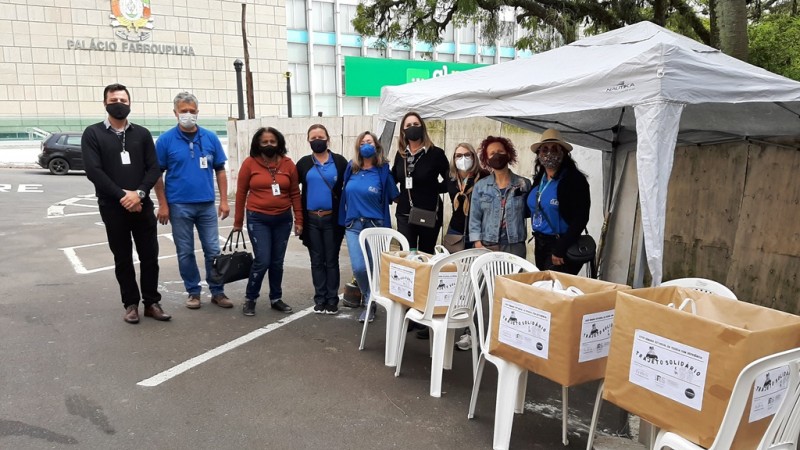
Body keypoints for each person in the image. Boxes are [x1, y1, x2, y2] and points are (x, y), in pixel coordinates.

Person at [81, 83, 171, 324]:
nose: (118, 104)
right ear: (105, 103)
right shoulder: (93, 133)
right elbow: (94, 171)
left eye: (123, 100)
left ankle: (152, 302)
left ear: (130, 103)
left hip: (142, 206)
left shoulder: (141, 134)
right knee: (122, 258)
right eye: (114, 100)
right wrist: (124, 197)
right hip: (113, 208)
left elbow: (153, 168)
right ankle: (130, 304)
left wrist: (139, 194)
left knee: (150, 256)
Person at [154, 92, 232, 310]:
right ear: (175, 113)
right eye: (183, 111)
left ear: (198, 112)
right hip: (179, 206)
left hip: (207, 204)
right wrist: (163, 204)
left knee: (213, 250)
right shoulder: (165, 140)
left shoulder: (210, 138)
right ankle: (193, 292)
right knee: (185, 251)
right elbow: (156, 175)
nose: (188, 115)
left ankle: (217, 291)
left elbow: (220, 170)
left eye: (192, 111)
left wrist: (224, 200)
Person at [233, 127, 301, 316]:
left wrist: (299, 220)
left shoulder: (288, 164)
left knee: (277, 262)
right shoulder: (249, 164)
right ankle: (250, 298)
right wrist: (238, 222)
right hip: (258, 218)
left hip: (283, 219)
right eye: (265, 142)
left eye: (273, 141)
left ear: (279, 143)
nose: (269, 145)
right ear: (258, 144)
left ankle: (276, 298)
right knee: (263, 260)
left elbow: (295, 193)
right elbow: (241, 193)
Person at [338, 131, 399, 323]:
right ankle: (368, 298)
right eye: (363, 142)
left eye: (370, 142)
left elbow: (395, 196)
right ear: (358, 147)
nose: (366, 145)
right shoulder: (351, 168)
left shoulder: (383, 171)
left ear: (376, 146)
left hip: (375, 226)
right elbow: (344, 193)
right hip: (354, 225)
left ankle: (371, 302)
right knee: (359, 268)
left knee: (374, 268)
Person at [296, 124, 348, 315]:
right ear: (308, 140)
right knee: (316, 260)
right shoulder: (303, 164)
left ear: (328, 138)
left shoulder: (340, 162)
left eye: (320, 136)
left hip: (332, 220)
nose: (317, 140)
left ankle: (332, 300)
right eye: (313, 137)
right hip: (311, 220)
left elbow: (349, 188)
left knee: (331, 260)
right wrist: (298, 219)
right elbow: (293, 191)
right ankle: (320, 299)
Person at [528, 128, 590, 274]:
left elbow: (581, 218)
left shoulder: (575, 180)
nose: (549, 153)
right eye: (544, 149)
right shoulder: (539, 179)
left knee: (555, 290)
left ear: (564, 153)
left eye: (555, 149)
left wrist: (561, 248)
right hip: (540, 242)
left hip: (560, 244)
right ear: (539, 155)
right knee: (542, 287)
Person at [445, 143, 488, 348]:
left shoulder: (485, 177)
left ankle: (470, 332)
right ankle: (451, 319)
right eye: (458, 155)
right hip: (455, 233)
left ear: (474, 156)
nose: (462, 158)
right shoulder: (452, 179)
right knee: (455, 280)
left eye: (467, 155)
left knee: (475, 284)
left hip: (477, 235)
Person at [391, 112, 449, 254]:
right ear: (403, 130)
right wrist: (395, 196)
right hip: (405, 213)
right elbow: (393, 178)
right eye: (408, 125)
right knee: (406, 254)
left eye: (416, 124)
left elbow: (449, 180)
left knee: (425, 255)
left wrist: (433, 188)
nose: (412, 127)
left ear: (422, 127)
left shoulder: (436, 154)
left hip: (429, 212)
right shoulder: (401, 154)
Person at [469, 136, 532, 258]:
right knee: (488, 277)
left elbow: (530, 212)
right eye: (492, 153)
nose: (497, 156)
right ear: (487, 159)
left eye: (500, 152)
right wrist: (477, 242)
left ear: (508, 154)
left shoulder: (524, 184)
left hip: (515, 246)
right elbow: (475, 217)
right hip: (488, 245)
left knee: (512, 277)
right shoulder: (480, 186)